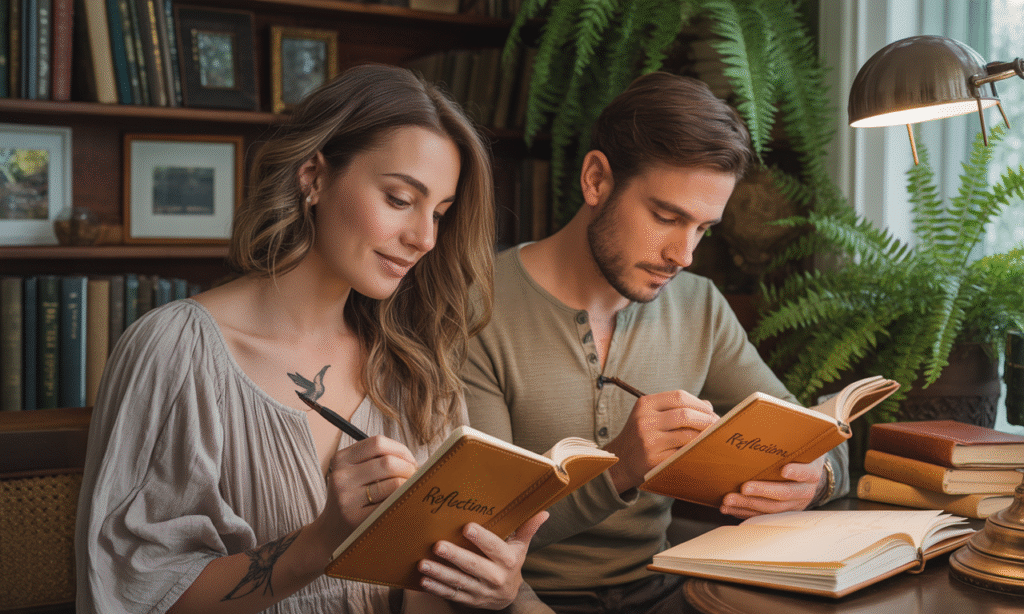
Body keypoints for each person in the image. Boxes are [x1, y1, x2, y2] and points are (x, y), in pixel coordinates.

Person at [75, 64, 548, 614]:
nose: (423, 238)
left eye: (440, 214)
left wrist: (485, 588)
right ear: (314, 177)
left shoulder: (415, 367)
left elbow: (419, 593)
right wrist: (322, 542)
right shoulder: (177, 352)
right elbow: (137, 594)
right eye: (399, 199)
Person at [461, 72, 849, 613]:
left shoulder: (700, 305)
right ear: (596, 179)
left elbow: (820, 435)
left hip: (667, 588)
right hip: (526, 597)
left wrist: (819, 478)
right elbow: (482, 531)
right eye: (666, 218)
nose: (683, 254)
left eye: (702, 229)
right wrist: (618, 468)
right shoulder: (476, 308)